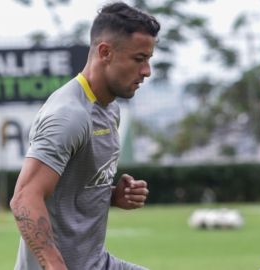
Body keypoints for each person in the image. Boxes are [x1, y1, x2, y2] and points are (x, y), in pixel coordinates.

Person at [10, 2, 160, 270]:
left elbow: (72, 190)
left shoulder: (109, 109)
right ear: (106, 53)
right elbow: (24, 197)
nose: (147, 71)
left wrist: (112, 195)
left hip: (98, 263)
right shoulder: (69, 115)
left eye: (148, 59)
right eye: (139, 59)